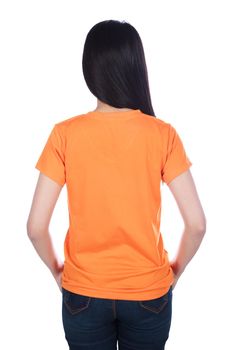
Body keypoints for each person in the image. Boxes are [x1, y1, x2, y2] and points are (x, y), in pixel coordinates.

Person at [26, 19, 206, 350]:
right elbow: (196, 224)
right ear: (137, 67)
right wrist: (173, 274)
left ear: (89, 69)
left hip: (83, 293)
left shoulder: (64, 135)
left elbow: (36, 227)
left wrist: (57, 273)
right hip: (148, 294)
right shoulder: (162, 134)